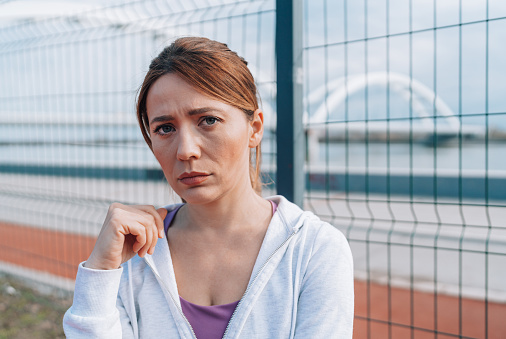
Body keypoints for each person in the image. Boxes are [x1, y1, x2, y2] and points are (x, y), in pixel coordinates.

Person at [63, 36, 354, 338]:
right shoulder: (135, 251)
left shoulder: (313, 249)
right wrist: (100, 270)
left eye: (208, 120)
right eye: (165, 128)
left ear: (254, 129)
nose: (185, 150)